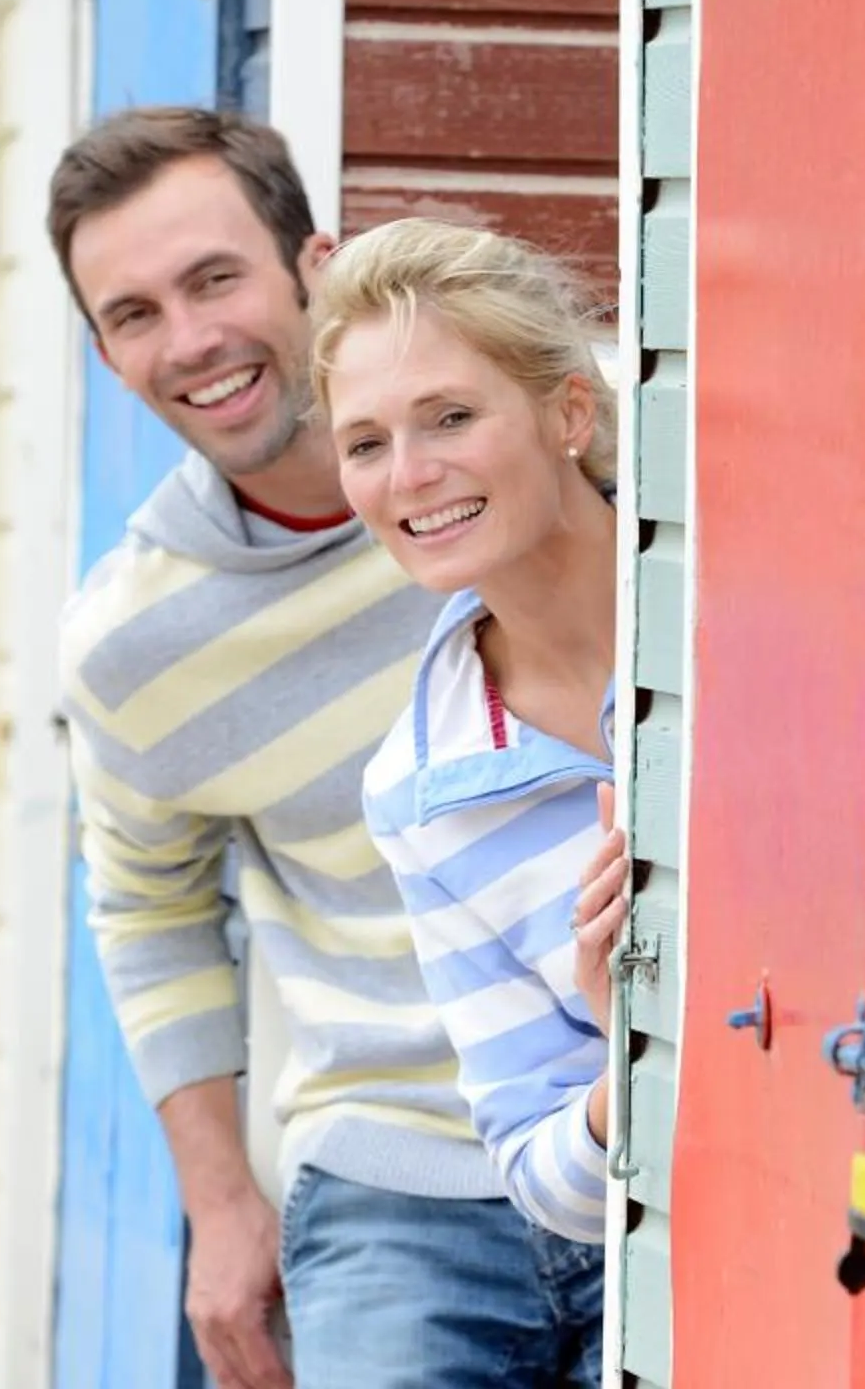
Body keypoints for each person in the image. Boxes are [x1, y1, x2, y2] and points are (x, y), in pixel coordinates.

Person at [50, 111, 628, 1388]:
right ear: (104, 354)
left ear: (315, 264)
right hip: (398, 1181)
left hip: (655, 1109)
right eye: (134, 313)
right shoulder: (132, 645)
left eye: (214, 277)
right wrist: (221, 1206)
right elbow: (146, 914)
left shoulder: (542, 439)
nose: (191, 338)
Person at [310, 218, 635, 1250]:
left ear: (568, 412)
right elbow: (549, 1179)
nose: (408, 474)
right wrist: (633, 1049)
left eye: (448, 416)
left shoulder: (739, 592)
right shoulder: (420, 788)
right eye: (366, 442)